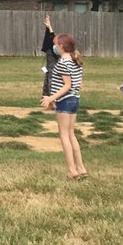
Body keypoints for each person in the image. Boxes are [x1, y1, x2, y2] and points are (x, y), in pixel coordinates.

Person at [40, 33, 88, 180]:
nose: (54, 47)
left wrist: (51, 98)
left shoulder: (63, 63)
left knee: (64, 135)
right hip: (74, 100)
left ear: (61, 46)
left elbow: (67, 85)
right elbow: (79, 84)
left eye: (55, 44)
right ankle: (81, 168)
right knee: (71, 134)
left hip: (65, 101)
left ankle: (72, 170)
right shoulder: (75, 61)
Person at [40, 13, 58, 98]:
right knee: (47, 82)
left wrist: (49, 27)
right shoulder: (51, 47)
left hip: (53, 67)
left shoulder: (57, 49)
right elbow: (49, 38)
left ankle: (52, 98)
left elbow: (53, 39)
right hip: (49, 67)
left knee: (51, 82)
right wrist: (48, 27)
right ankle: (45, 98)